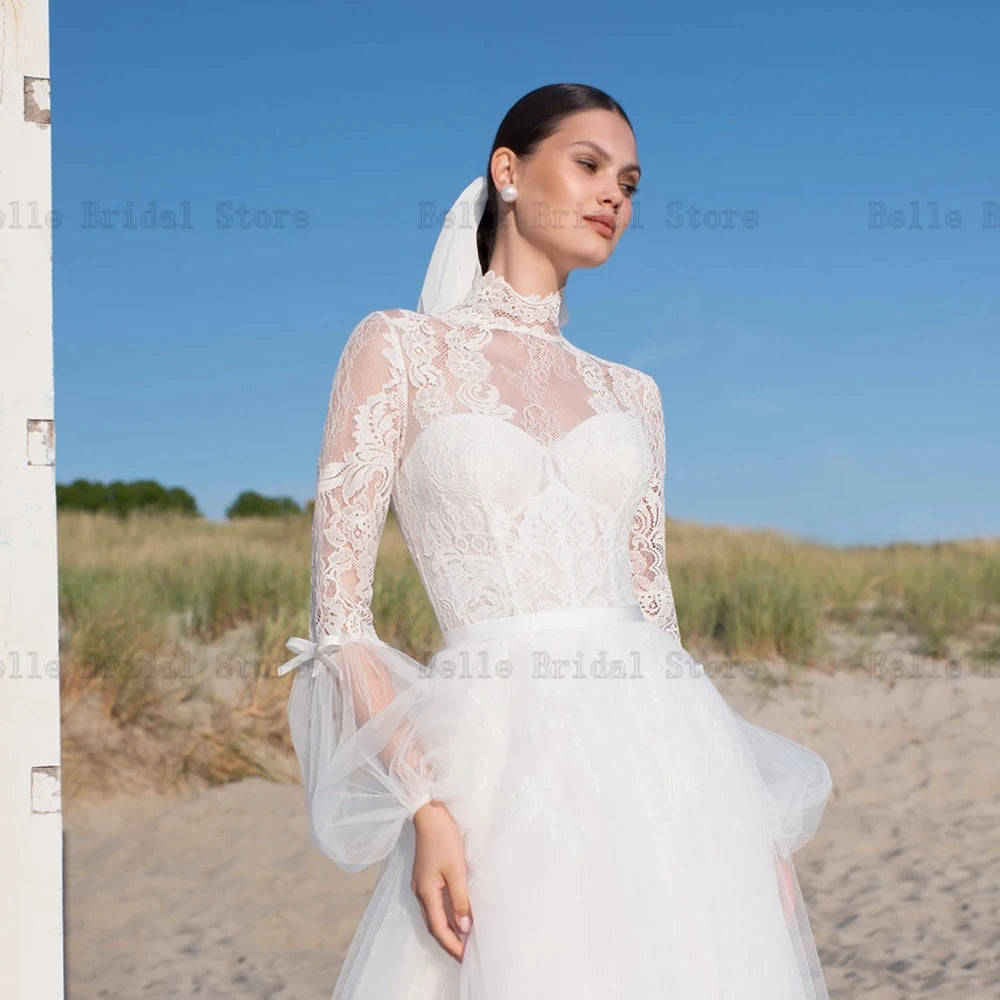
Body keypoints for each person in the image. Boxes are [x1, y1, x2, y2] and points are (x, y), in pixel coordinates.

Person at [280, 82, 834, 1000]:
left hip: (665, 758)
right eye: (586, 165)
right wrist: (426, 808)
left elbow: (657, 619)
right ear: (507, 172)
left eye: (629, 181)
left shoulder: (634, 394)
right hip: (496, 757)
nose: (613, 194)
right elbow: (340, 620)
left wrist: (748, 828)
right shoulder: (399, 348)